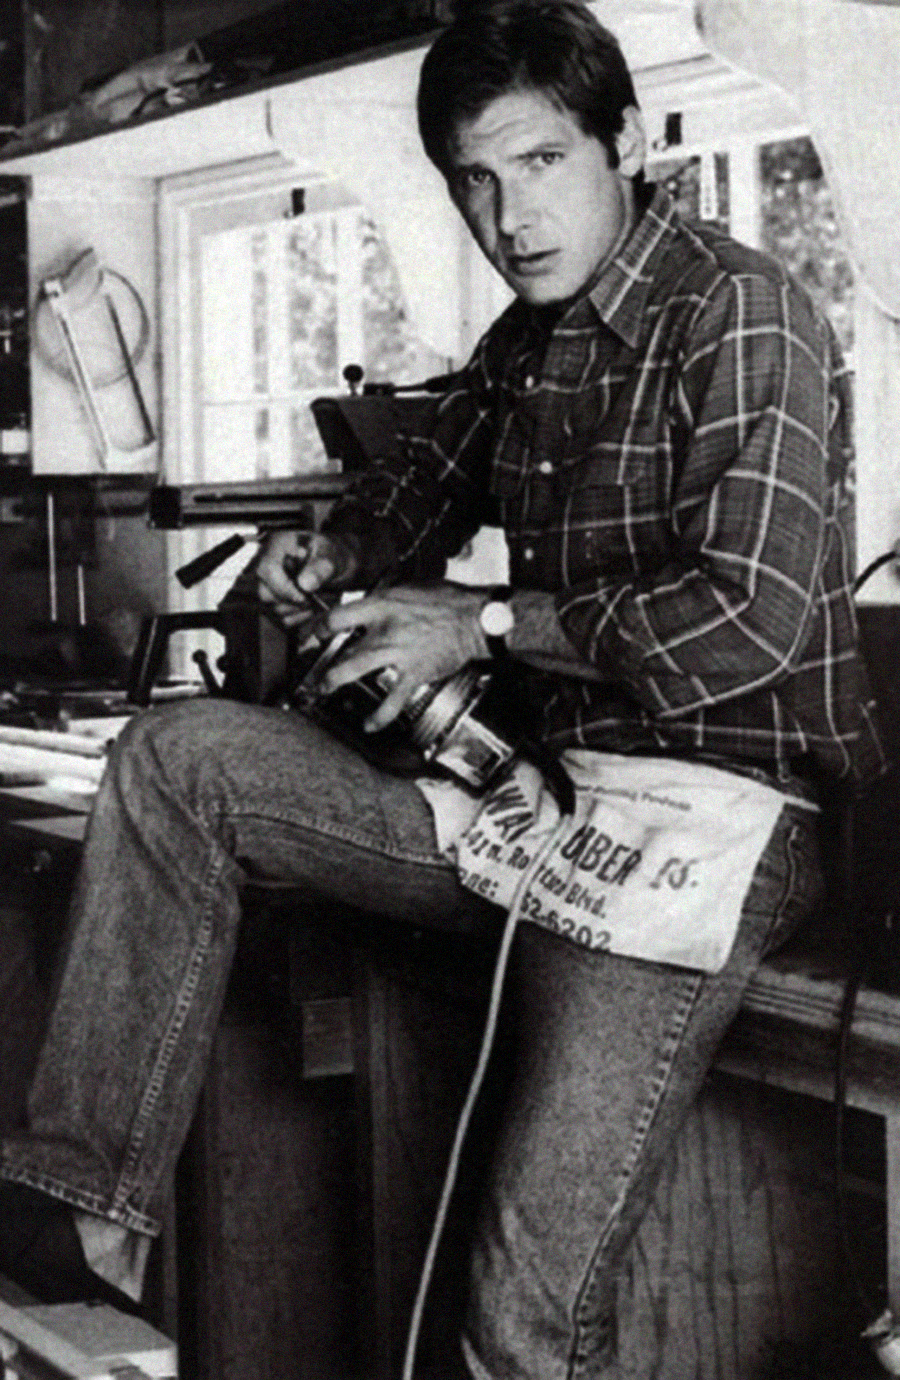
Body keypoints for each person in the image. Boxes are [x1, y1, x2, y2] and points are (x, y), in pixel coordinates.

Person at [0, 2, 884, 1376]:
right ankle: (82, 1214)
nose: (507, 212)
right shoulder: (531, 339)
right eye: (474, 178)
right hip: (543, 801)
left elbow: (749, 623)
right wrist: (341, 547)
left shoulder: (741, 311)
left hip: (723, 818)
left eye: (537, 163)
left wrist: (474, 621)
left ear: (628, 142)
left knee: (522, 1299)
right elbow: (422, 477)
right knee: (179, 762)